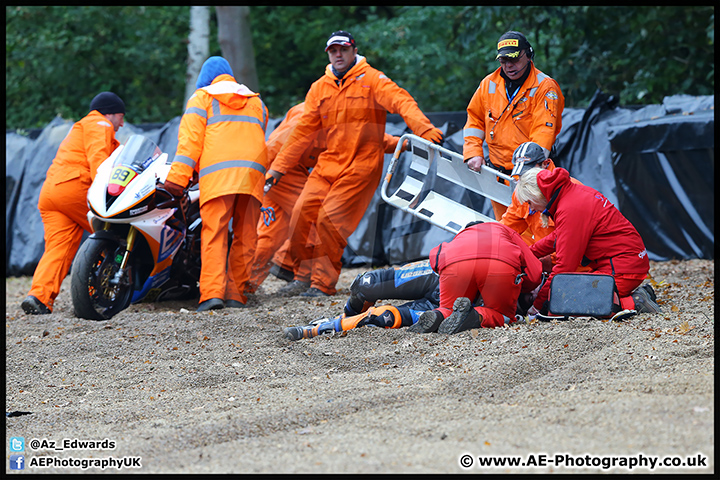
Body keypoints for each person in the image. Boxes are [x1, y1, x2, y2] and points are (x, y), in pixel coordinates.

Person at [268, 30, 444, 298]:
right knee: (300, 214)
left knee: (329, 220)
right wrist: (277, 169)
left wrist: (425, 130)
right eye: (333, 50)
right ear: (328, 54)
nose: (338, 55)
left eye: (343, 49)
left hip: (361, 168)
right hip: (328, 165)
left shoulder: (372, 79)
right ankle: (302, 277)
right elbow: (302, 133)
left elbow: (401, 101)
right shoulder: (320, 87)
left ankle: (322, 284)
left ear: (354, 51)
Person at [246, 102, 402, 294]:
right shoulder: (307, 120)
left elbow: (370, 138)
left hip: (283, 170)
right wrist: (256, 177)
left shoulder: (345, 117)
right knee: (312, 216)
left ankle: (247, 284)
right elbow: (273, 147)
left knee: (273, 230)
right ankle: (301, 273)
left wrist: (401, 144)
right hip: (276, 170)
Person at [161, 56, 268, 312]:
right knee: (245, 237)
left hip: (218, 178)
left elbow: (190, 145)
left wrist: (177, 180)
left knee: (215, 234)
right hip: (252, 177)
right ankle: (236, 295)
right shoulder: (256, 102)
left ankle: (211, 295)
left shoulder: (202, 99)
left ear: (204, 81)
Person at [22, 92, 125, 315]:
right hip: (75, 187)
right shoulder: (100, 123)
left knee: (57, 249)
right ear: (110, 114)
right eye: (121, 116)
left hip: (51, 193)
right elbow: (99, 158)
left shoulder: (80, 127)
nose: (122, 123)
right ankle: (104, 289)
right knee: (115, 233)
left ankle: (38, 297)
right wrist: (109, 191)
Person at [514, 167, 662, 318]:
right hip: (628, 262)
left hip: (623, 269)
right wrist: (528, 253)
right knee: (568, 294)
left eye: (529, 202)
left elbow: (564, 268)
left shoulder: (569, 207)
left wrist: (537, 307)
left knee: (565, 303)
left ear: (537, 195)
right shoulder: (572, 193)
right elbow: (558, 237)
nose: (531, 208)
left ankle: (634, 302)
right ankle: (633, 296)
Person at [463, 31, 565, 220]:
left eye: (514, 59)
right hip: (498, 175)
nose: (509, 66)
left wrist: (530, 171)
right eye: (503, 61)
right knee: (507, 231)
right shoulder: (488, 84)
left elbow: (544, 131)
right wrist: (473, 152)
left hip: (532, 177)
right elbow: (474, 119)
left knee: (538, 232)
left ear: (528, 55)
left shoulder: (544, 87)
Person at [408, 221, 543, 335]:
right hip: (498, 264)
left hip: (453, 262)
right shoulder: (502, 229)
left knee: (449, 308)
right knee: (502, 316)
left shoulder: (460, 237)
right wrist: (520, 287)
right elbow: (535, 273)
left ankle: (438, 315)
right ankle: (474, 316)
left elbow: (435, 261)